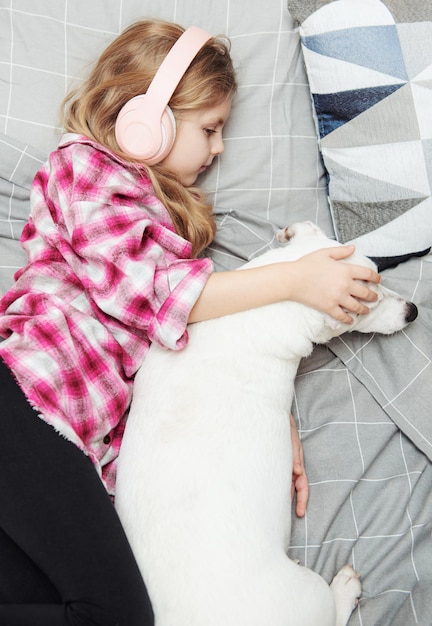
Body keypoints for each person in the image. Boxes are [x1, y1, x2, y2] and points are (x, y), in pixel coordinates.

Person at [0, 19, 381, 626]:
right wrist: (296, 278)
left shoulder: (166, 231)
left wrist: (271, 415)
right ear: (145, 120)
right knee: (116, 613)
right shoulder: (83, 169)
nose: (220, 148)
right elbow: (153, 294)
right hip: (28, 401)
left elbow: (195, 341)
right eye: (211, 129)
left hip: (69, 435)